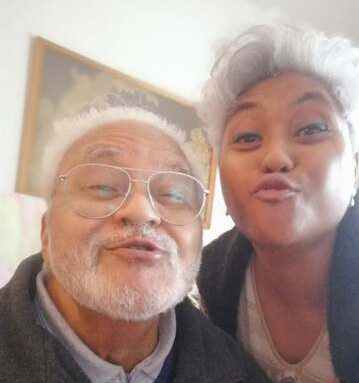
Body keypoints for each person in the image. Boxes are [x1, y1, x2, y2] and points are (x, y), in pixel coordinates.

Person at [0, 106, 269, 383]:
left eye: (174, 195)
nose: (142, 212)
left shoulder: (241, 372)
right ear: (46, 232)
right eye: (102, 187)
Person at [197, 23, 359, 382]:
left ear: (354, 165)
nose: (276, 157)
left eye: (311, 129)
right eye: (247, 136)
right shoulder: (209, 277)